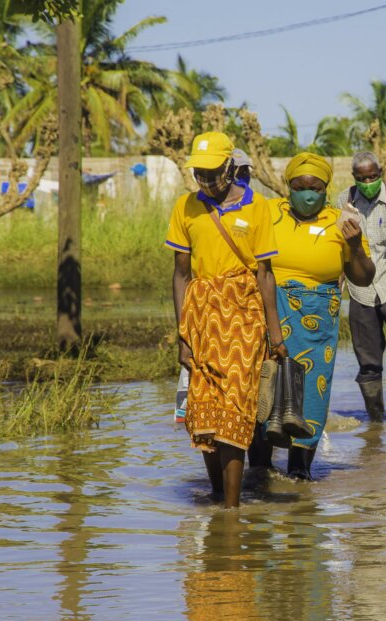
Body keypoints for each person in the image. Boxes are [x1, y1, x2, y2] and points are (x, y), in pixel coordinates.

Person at [166, 131, 287, 508]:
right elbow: (181, 275)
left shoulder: (258, 207)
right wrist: (183, 336)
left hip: (244, 318)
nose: (204, 179)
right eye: (198, 173)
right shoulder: (185, 208)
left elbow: (265, 275)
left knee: (236, 409)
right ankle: (218, 497)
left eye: (212, 171)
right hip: (201, 319)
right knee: (203, 410)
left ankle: (231, 512)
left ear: (230, 166)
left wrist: (274, 330)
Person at [247, 152, 375, 480]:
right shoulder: (268, 213)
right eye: (299, 186)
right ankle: (260, 472)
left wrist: (355, 244)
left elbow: (364, 277)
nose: (307, 193)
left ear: (326, 188)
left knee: (310, 395)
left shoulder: (341, 221)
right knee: (263, 391)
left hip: (316, 321)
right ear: (287, 187)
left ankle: (299, 472)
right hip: (268, 315)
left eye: (315, 187)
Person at [336, 151, 386, 421]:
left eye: (372, 176)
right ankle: (376, 420)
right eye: (362, 178)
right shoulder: (344, 201)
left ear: (380, 173)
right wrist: (336, 291)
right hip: (361, 290)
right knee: (369, 362)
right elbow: (340, 250)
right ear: (354, 178)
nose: (368, 181)